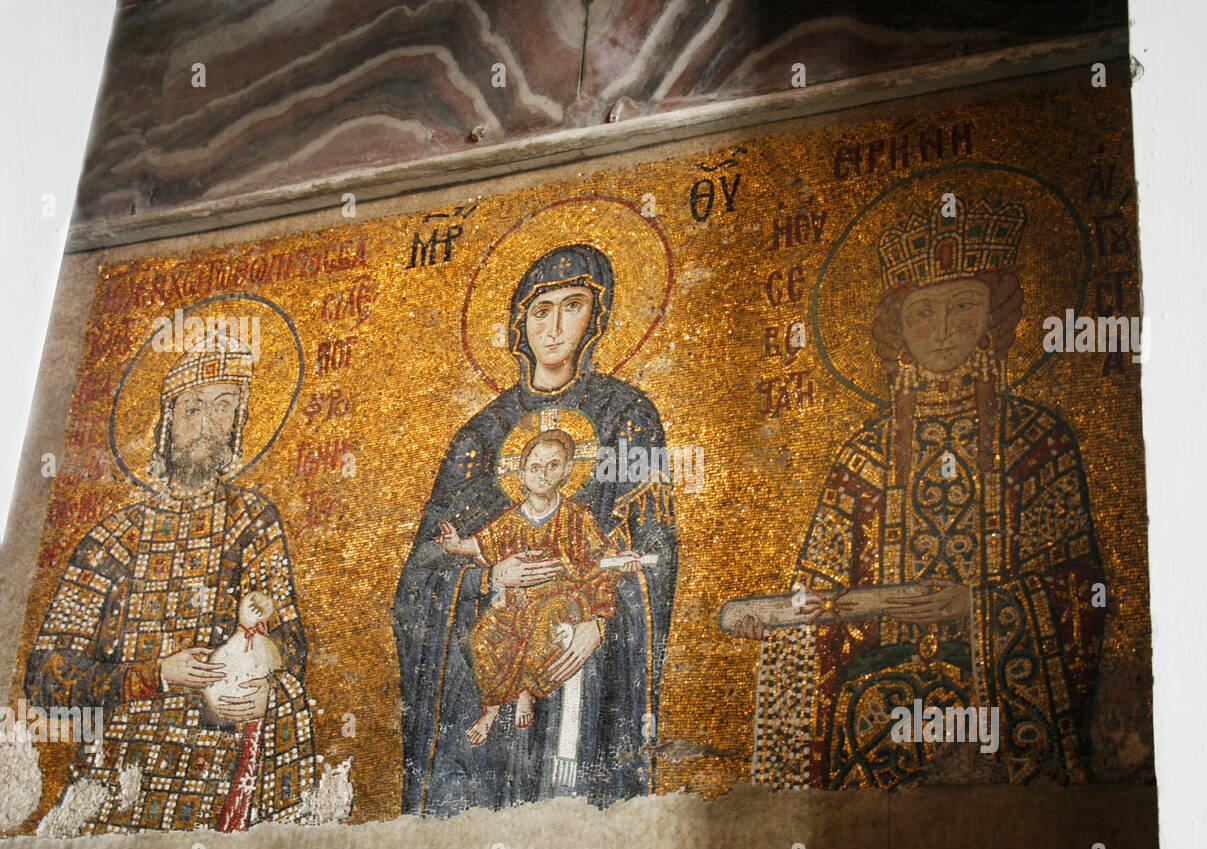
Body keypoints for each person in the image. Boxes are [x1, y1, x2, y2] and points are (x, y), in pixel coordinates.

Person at [748, 196, 1105, 790]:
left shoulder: (1037, 442)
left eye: (963, 306)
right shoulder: (862, 459)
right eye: (922, 313)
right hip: (874, 708)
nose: (941, 330)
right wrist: (803, 617)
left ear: (996, 315)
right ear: (897, 329)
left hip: (997, 704)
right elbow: (818, 592)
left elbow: (1080, 590)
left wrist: (976, 607)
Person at [394, 244, 677, 815]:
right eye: (540, 309)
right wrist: (486, 577)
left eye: (571, 306)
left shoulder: (628, 417)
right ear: (520, 324)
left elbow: (653, 553)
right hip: (493, 648)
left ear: (595, 317)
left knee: (569, 801)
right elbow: (419, 576)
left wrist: (600, 621)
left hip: (582, 654)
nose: (554, 326)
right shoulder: (481, 434)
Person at [25, 331, 317, 833]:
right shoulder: (113, 539)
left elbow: (288, 639)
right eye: (193, 409)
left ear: (240, 422)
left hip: (230, 744)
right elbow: (47, 675)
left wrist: (260, 678)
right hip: (126, 758)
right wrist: (155, 674)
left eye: (224, 407)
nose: (208, 424)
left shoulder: (253, 521)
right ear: (166, 424)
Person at [436, 428, 643, 746]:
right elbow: (480, 542)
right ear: (520, 474)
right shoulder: (510, 519)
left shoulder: (576, 516)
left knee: (545, 620)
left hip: (563, 597)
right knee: (485, 633)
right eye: (535, 467)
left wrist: (622, 560)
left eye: (553, 466)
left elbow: (600, 556)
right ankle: (490, 707)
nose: (543, 475)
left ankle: (527, 691)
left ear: (568, 471)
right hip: (518, 601)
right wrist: (455, 545)